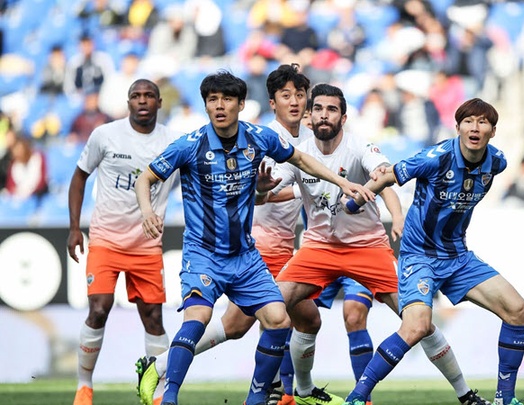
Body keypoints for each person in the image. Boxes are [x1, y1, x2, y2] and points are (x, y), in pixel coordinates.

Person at [134, 70, 373, 405]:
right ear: (205, 106)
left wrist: (340, 182)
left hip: (245, 256)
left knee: (279, 320)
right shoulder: (189, 145)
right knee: (203, 320)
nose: (220, 106)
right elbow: (145, 178)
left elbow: (303, 160)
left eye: (227, 99)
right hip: (205, 252)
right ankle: (168, 393)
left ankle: (263, 398)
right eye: (212, 100)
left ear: (241, 104)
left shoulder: (259, 139)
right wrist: (148, 212)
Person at [272, 84, 491, 405]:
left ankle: (465, 394)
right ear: (309, 115)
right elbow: (268, 192)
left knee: (419, 321)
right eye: (318, 108)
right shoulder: (300, 156)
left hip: (368, 249)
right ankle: (297, 391)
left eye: (332, 109)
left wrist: (398, 216)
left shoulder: (361, 147)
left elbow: (385, 180)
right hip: (318, 249)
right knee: (271, 304)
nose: (324, 115)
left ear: (343, 117)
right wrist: (262, 191)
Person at [341, 98, 524, 405]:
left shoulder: (497, 162)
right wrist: (355, 203)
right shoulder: (435, 157)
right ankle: (357, 397)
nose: (475, 127)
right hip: (419, 256)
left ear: (492, 132)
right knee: (416, 326)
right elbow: (388, 175)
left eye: (483, 122)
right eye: (468, 121)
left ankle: (504, 399)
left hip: (458, 257)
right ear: (457, 127)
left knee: (519, 310)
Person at [67, 79, 183, 405]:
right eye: (136, 96)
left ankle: (157, 393)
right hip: (105, 239)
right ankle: (84, 386)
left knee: (154, 318)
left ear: (160, 102)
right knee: (99, 308)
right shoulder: (106, 135)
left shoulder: (174, 142)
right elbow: (79, 177)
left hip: (147, 244)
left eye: (149, 96)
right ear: (128, 102)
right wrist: (75, 227)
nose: (142, 101)